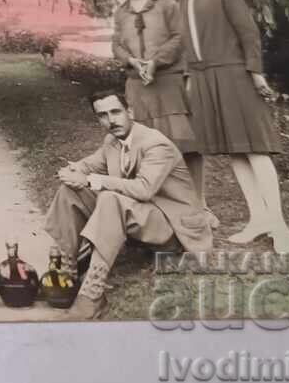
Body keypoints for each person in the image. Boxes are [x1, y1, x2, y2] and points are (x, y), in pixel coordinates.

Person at [168, 0, 289, 254]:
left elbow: (247, 31)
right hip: (203, 78)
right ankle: (258, 219)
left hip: (233, 73)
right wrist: (188, 78)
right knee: (233, 150)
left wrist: (255, 71)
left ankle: (279, 226)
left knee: (255, 149)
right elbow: (187, 44)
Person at [43, 89, 212, 320]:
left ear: (130, 112)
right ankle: (69, 270)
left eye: (115, 112)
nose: (110, 120)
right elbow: (91, 164)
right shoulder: (113, 141)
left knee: (110, 197)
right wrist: (74, 171)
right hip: (141, 218)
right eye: (102, 115)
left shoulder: (155, 144)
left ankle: (93, 292)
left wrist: (94, 180)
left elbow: (144, 189)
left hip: (172, 229)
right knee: (70, 191)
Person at [109, 0, 216, 228]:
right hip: (137, 86)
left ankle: (199, 206)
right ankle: (164, 208)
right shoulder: (121, 12)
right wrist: (133, 62)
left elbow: (180, 37)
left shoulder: (165, 3)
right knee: (146, 150)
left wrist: (155, 62)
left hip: (168, 83)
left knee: (185, 146)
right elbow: (117, 45)